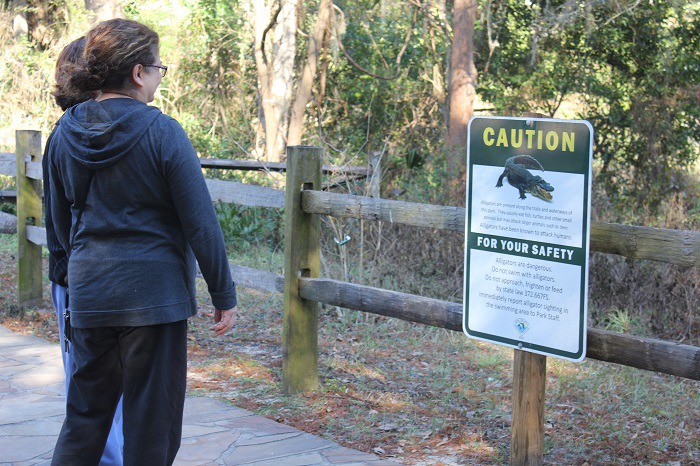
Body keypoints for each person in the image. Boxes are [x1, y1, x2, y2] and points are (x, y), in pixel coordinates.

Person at [48, 18, 238, 465]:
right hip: (155, 300)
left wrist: (77, 283)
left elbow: (59, 225)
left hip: (91, 295)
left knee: (84, 422)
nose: (158, 77)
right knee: (153, 426)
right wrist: (223, 294)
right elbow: (201, 222)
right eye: (158, 68)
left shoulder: (64, 133)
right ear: (137, 72)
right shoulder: (162, 131)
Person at [44, 36, 124, 465]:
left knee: (95, 385)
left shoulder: (77, 132)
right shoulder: (67, 135)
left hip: (87, 277)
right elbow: (59, 219)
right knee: (91, 388)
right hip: (80, 277)